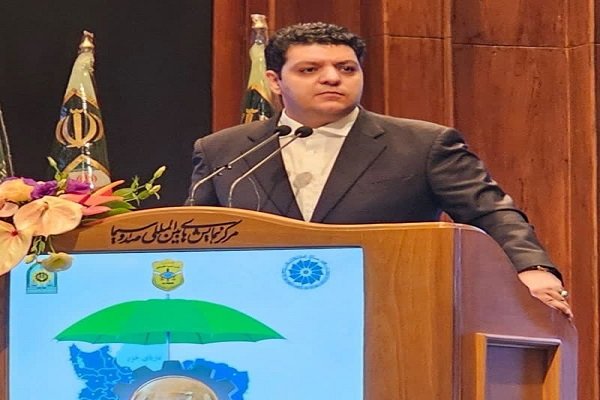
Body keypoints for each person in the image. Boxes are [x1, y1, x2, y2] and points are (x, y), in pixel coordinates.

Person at [187, 22, 572, 318]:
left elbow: (491, 212)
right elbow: (195, 233)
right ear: (275, 81)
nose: (332, 78)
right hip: (261, 312)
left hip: (390, 312)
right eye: (310, 69)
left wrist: (534, 268)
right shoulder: (224, 150)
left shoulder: (423, 144)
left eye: (346, 68)